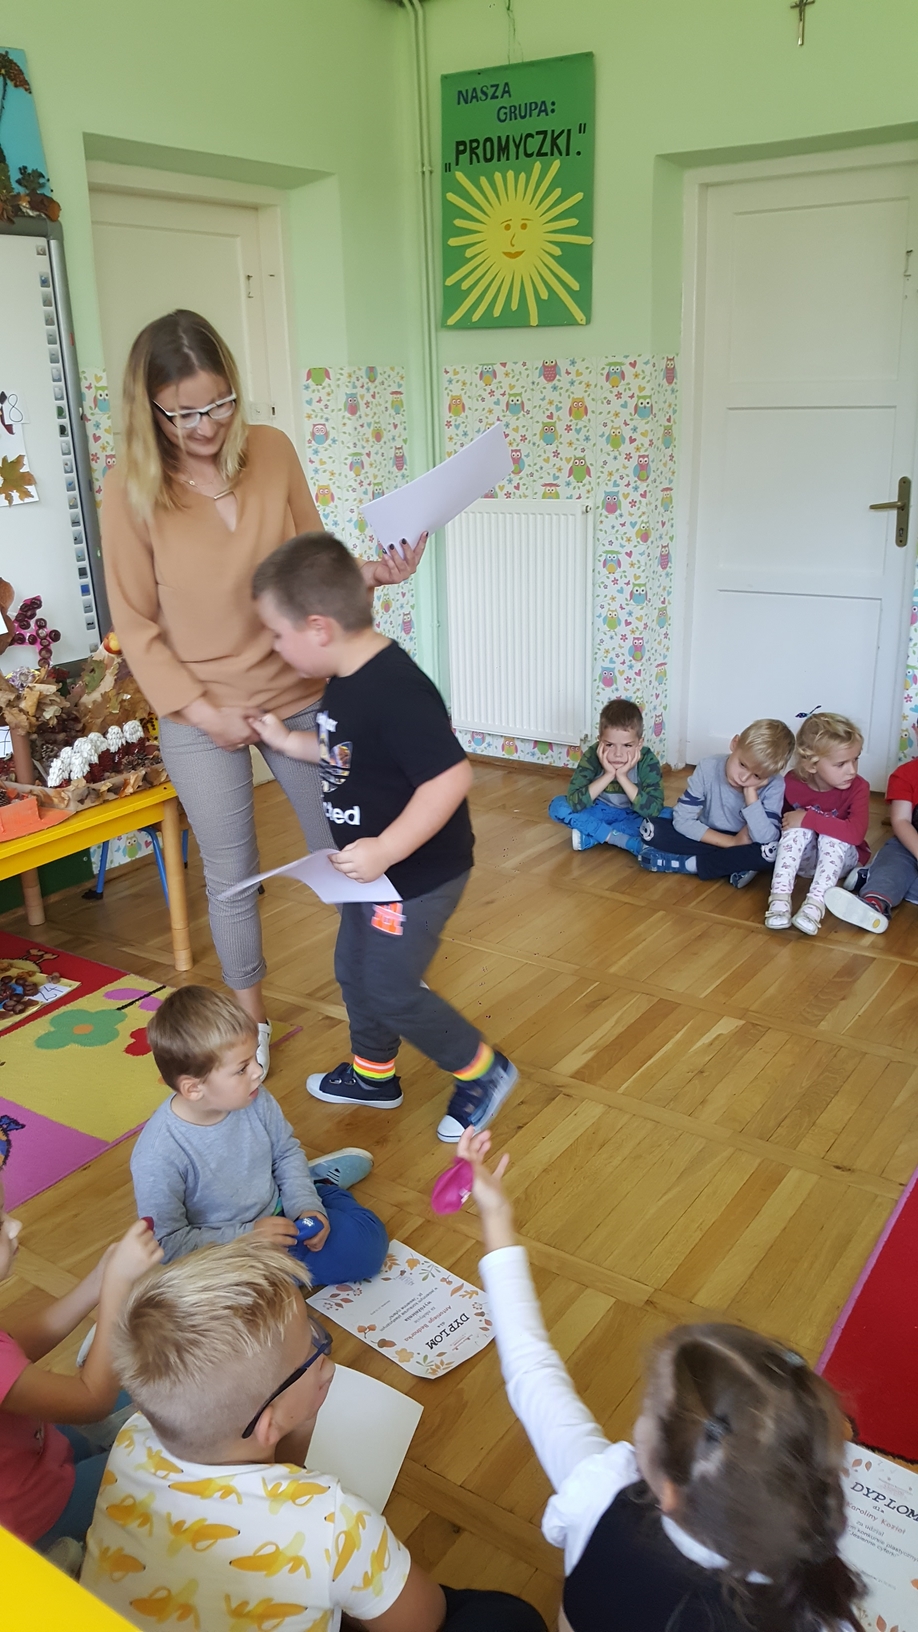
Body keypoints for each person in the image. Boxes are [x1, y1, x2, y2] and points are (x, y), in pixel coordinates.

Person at [101, 310, 424, 1078]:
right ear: (150, 409)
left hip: (302, 691)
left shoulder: (272, 451)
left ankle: (376, 1004)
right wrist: (201, 711)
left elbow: (313, 564)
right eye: (183, 413)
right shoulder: (129, 490)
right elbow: (136, 626)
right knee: (233, 874)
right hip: (199, 705)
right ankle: (249, 1026)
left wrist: (371, 573)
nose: (206, 426)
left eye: (219, 404)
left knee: (349, 852)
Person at [456, 1126, 866, 1632]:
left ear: (668, 1494)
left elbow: (531, 1369)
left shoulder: (601, 1496)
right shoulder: (809, 1596)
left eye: (648, 1408)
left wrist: (496, 1218)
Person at [80, 1238, 547, 1632]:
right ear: (268, 1423)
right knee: (506, 1618)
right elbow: (423, 1620)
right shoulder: (335, 1522)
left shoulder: (133, 1438)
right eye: (314, 1349)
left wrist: (293, 1417)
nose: (326, 1362)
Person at [251, 533, 517, 1145]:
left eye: (276, 634)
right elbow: (344, 751)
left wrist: (386, 850)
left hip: (416, 876)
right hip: (370, 873)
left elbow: (450, 778)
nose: (273, 646)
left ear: (318, 628)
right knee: (353, 968)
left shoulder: (394, 688)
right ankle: (374, 1075)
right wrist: (285, 740)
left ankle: (482, 1070)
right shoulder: (346, 679)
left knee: (390, 985)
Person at [132, 985, 388, 1285]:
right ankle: (314, 1184)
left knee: (366, 1248)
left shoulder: (253, 1095)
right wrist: (250, 1237)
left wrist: (307, 1206)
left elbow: (285, 1152)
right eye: (242, 1068)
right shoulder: (158, 1154)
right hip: (227, 1252)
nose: (257, 1071)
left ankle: (318, 1186)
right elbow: (168, 1243)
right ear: (194, 1088)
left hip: (277, 1212)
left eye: (255, 1056)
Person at [0, 1183, 161, 1553]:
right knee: (167, 1470)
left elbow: (15, 1346)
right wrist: (118, 1285)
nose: (15, 1225)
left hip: (33, 1455)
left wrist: (98, 1281)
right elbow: (92, 1400)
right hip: (34, 1515)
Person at [637, 719, 794, 888]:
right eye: (742, 765)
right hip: (710, 834)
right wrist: (732, 843)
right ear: (735, 743)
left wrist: (751, 796)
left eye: (757, 776)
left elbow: (766, 837)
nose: (743, 778)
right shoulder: (708, 766)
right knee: (652, 830)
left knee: (771, 852)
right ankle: (734, 865)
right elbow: (683, 819)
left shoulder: (775, 784)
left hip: (749, 843)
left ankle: (692, 865)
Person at [765, 713, 870, 935]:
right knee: (795, 826)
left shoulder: (859, 787)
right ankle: (779, 900)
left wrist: (808, 818)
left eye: (855, 759)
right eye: (841, 764)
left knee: (832, 834)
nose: (852, 770)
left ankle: (814, 907)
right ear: (811, 765)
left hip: (842, 861)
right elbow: (780, 825)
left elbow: (855, 834)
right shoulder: (791, 782)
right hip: (804, 862)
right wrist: (800, 822)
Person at [825, 732, 918, 935]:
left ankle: (870, 875)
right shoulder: (906, 774)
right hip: (910, 843)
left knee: (901, 878)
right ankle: (873, 904)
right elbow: (901, 821)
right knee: (894, 866)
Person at [548, 698, 665, 852]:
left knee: (668, 816)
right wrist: (608, 775)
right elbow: (575, 802)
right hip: (598, 811)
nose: (618, 754)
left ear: (639, 744)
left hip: (632, 814)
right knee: (558, 806)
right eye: (609, 745)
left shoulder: (647, 760)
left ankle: (593, 835)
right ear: (600, 741)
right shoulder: (592, 755)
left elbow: (653, 810)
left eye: (627, 745)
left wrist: (622, 777)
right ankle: (624, 841)